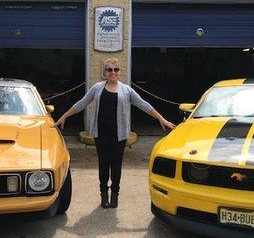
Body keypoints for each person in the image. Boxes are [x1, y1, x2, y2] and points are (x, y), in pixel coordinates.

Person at [54, 58, 175, 209]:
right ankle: (104, 194)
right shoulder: (97, 88)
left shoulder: (126, 90)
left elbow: (144, 105)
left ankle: (115, 194)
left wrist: (161, 119)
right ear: (104, 72)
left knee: (116, 166)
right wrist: (64, 116)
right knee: (103, 165)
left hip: (119, 135)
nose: (113, 72)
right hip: (101, 134)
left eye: (115, 69)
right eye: (109, 69)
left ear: (119, 72)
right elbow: (82, 103)